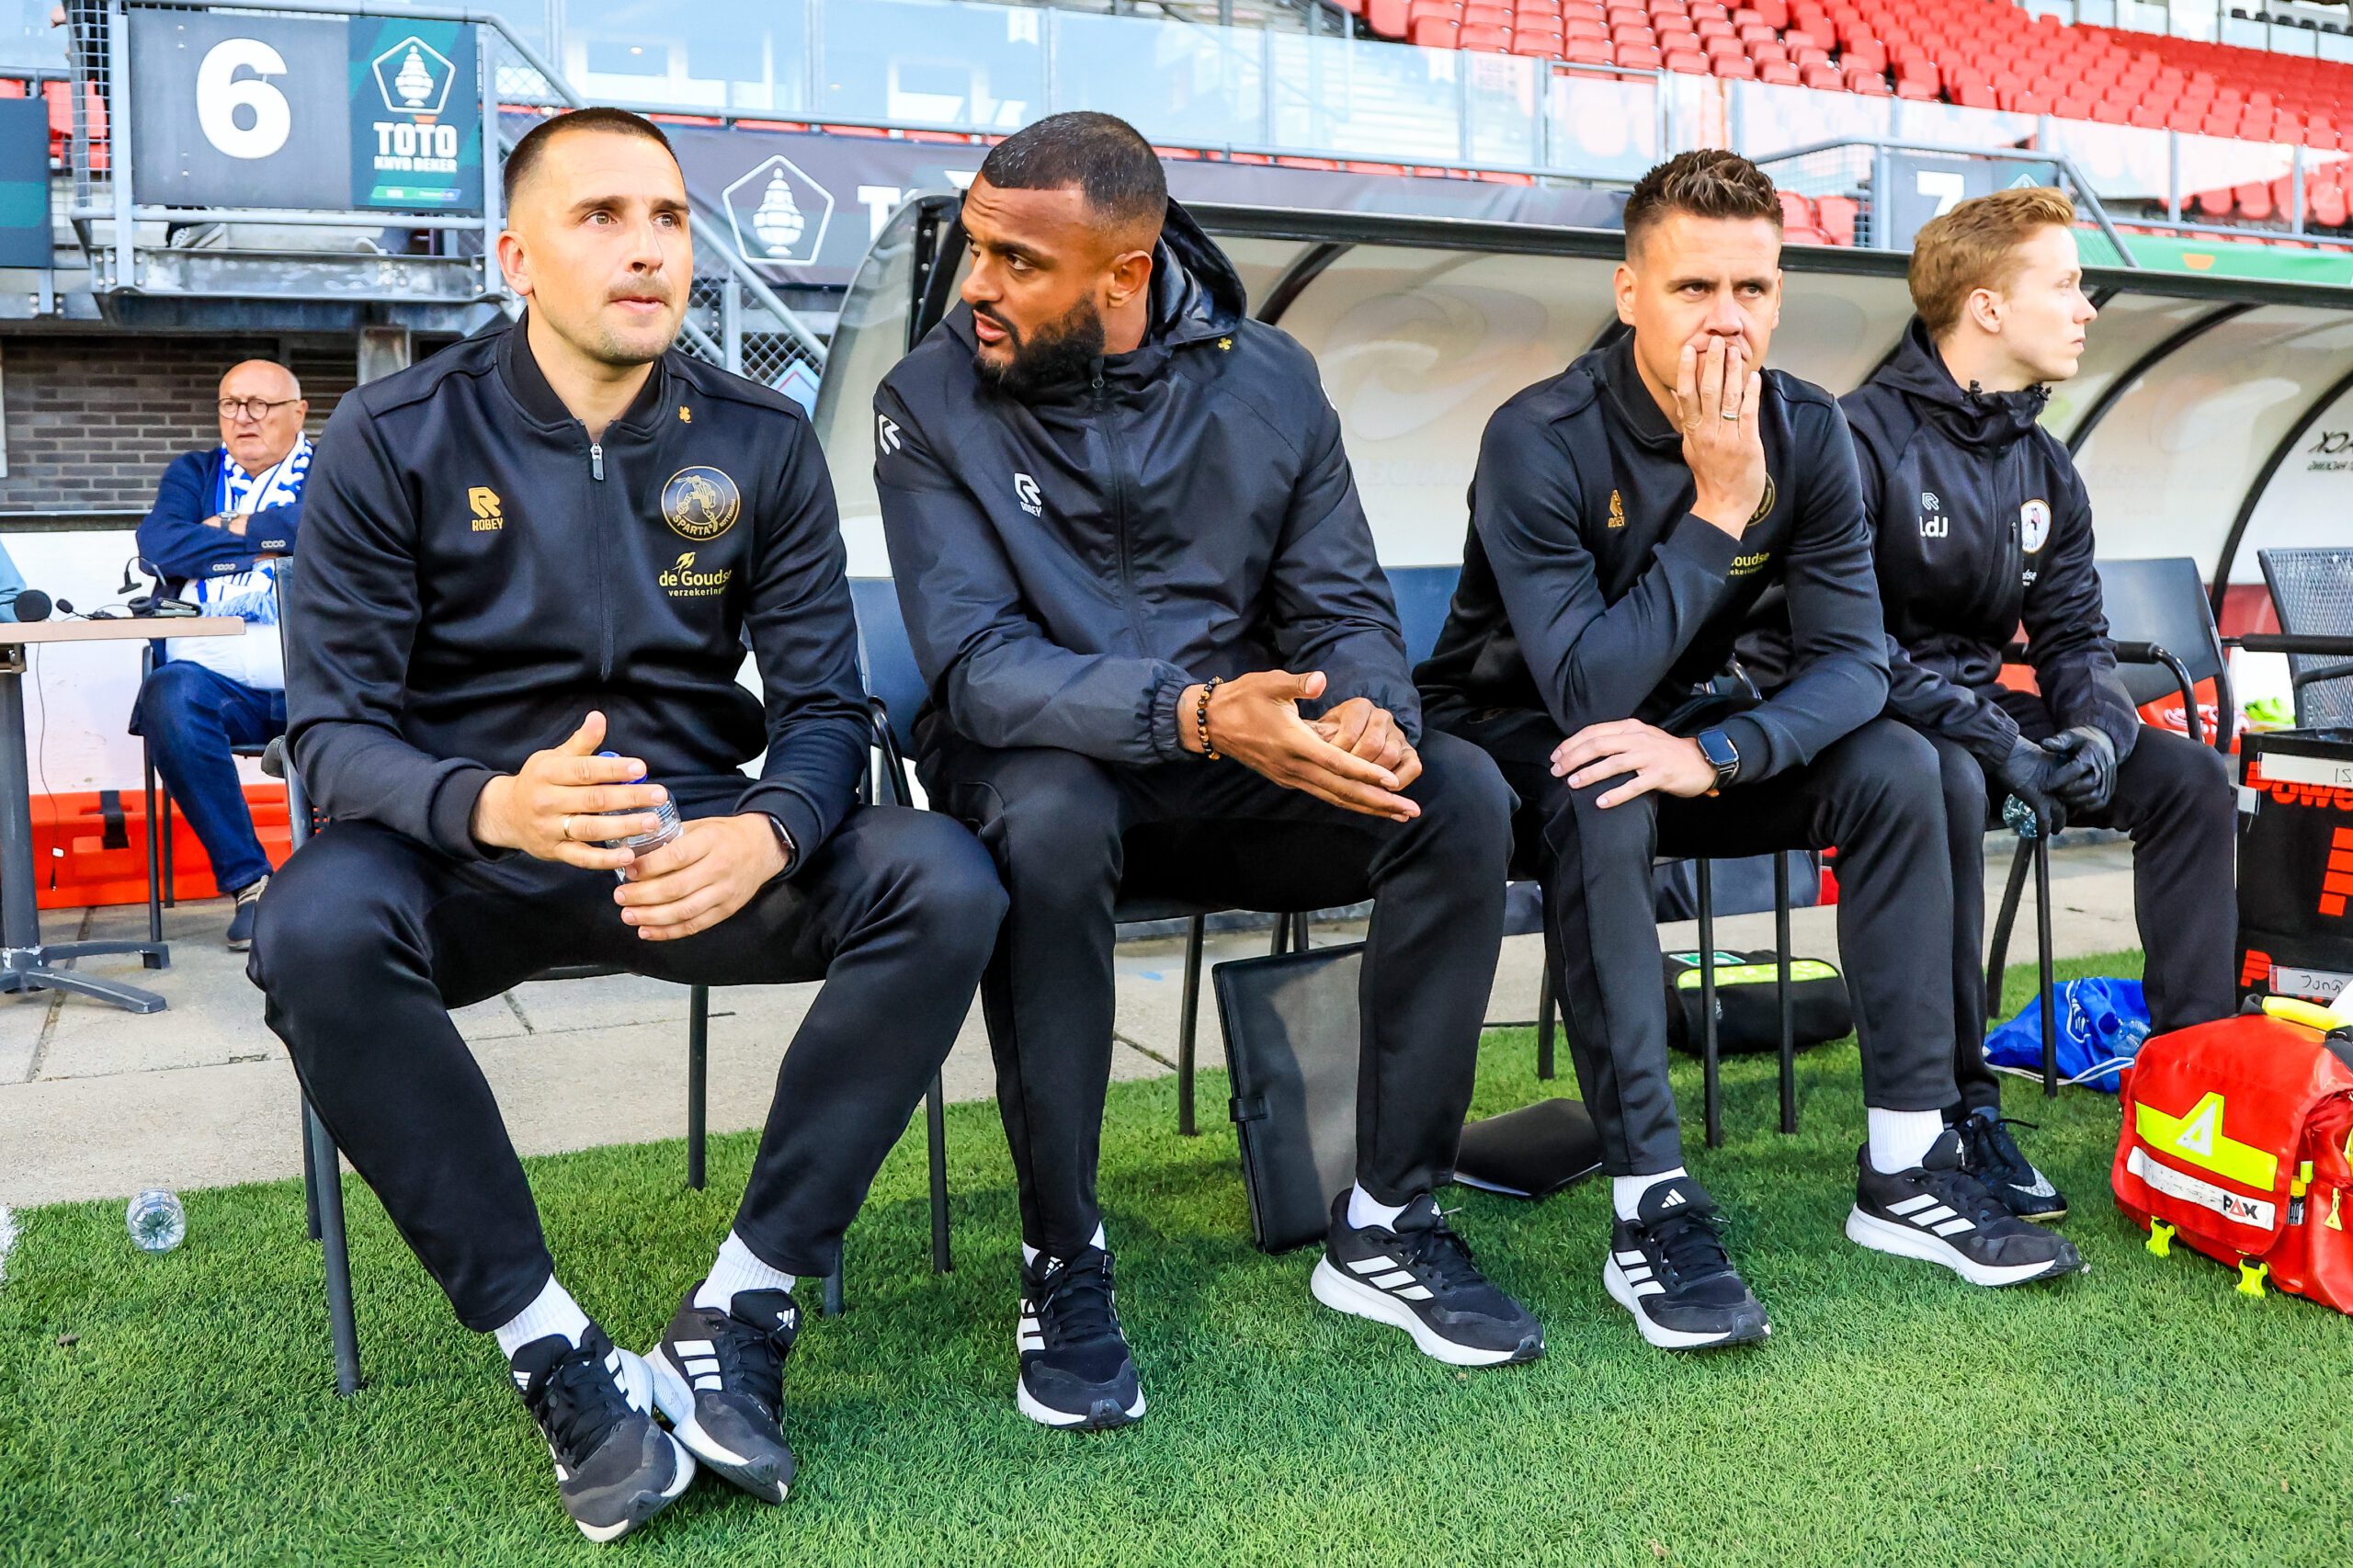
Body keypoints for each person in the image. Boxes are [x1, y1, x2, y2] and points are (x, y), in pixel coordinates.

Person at [249, 108, 1006, 1544]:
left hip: (693, 849)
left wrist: (770, 831)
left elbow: (827, 710)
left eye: (667, 217)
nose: (647, 247)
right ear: (515, 256)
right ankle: (553, 1348)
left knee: (944, 876)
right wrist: (491, 803)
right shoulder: (393, 438)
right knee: (311, 925)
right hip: (470, 847)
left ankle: (744, 1306)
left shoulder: (760, 441)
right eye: (601, 216)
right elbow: (332, 735)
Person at [875, 111, 1536, 1430]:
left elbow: (1341, 605)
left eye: (1018, 261)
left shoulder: (1271, 379)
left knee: (1457, 793)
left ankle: (1389, 1216)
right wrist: (1189, 711)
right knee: (1051, 818)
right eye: (977, 246)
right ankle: (1062, 1251)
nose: (977, 285)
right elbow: (978, 665)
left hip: (1239, 756)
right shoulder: (928, 396)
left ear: (1126, 275)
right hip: (1051, 758)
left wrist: (1369, 714)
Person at [1417, 150, 2084, 1357]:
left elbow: (1854, 662)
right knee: (1605, 780)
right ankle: (1649, 1204)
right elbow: (1585, 689)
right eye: (1693, 288)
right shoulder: (1538, 435)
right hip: (1521, 735)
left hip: (1695, 732)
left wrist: (1718, 754)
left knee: (1907, 764)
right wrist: (1722, 507)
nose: (1727, 319)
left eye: (1753, 289)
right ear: (1630, 293)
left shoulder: (1809, 426)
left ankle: (1908, 1163)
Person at [1818, 187, 2236, 1218]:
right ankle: (1958, 1107)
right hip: (1873, 720)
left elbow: (2074, 637)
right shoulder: (1855, 436)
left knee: (2189, 778)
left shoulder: (2045, 460)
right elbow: (1849, 647)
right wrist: (1999, 745)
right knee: (1948, 779)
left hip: (1984, 719)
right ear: (1988, 307)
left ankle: (2194, 1086)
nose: (2086, 308)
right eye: (2065, 284)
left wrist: (2094, 730)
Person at [130, 359, 310, 949]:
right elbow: (160, 544)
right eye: (231, 404)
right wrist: (269, 544)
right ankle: (250, 883)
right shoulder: (194, 471)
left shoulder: (333, 469)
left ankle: (337, 881)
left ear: (298, 413)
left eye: (260, 404)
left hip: (318, 683)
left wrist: (228, 527)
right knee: (168, 694)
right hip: (218, 688)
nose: (243, 418)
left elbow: (324, 527)